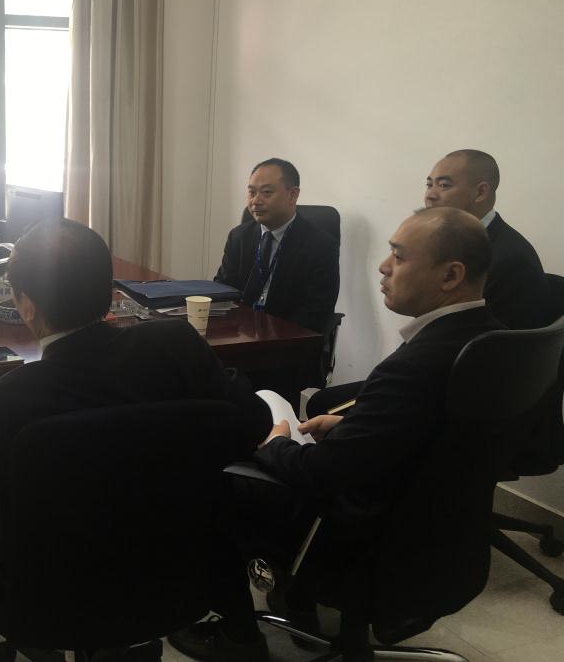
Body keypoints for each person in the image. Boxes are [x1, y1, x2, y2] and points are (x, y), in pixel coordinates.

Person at [0, 218, 273, 662]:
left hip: (48, 600)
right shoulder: (178, 346)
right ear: (111, 293)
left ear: (26, 305)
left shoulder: (6, 399)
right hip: (175, 576)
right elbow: (253, 422)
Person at [169, 207, 502, 662]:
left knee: (205, 482)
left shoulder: (416, 366)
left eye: (399, 256)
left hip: (367, 538)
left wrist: (275, 441)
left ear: (451, 275)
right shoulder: (491, 340)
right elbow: (436, 436)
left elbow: (322, 474)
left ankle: (239, 635)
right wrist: (361, 426)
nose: (383, 267)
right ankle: (304, 600)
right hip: (437, 539)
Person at [424, 149, 549, 328]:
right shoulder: (450, 241)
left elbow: (481, 337)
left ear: (480, 192)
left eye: (443, 185)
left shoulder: (508, 259)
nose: (430, 195)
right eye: (429, 185)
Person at [213, 158, 339, 334]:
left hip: (288, 338)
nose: (256, 201)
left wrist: (270, 338)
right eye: (251, 192)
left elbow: (315, 311)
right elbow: (223, 290)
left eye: (266, 192)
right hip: (240, 333)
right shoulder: (239, 237)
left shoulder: (320, 245)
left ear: (293, 195)